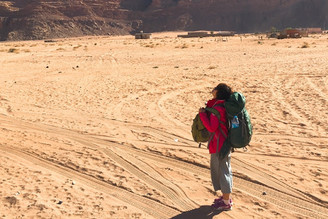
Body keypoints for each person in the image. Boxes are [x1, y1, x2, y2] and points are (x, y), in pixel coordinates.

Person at [198, 83, 233, 211]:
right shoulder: (223, 105)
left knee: (223, 171)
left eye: (215, 88)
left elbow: (212, 127)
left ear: (218, 92)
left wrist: (202, 114)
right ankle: (226, 198)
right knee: (224, 169)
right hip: (224, 142)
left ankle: (226, 202)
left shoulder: (218, 108)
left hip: (219, 143)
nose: (212, 89)